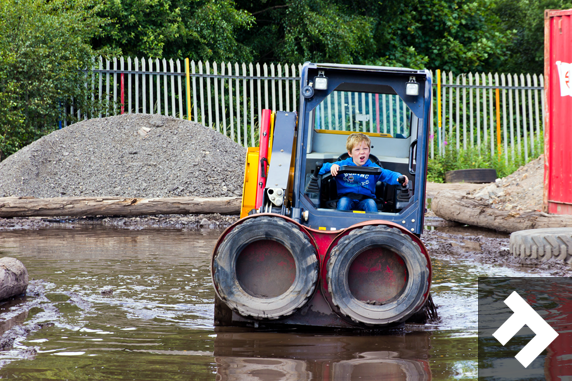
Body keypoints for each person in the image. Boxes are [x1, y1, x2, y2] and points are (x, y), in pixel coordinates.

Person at [318, 133, 409, 212]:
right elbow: (321, 169)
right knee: (343, 202)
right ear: (350, 153)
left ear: (369, 151)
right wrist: (331, 167)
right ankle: (340, 229)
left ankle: (374, 229)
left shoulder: (374, 168)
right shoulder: (342, 165)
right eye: (357, 150)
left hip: (366, 199)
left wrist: (399, 177)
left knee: (371, 204)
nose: (362, 152)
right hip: (347, 197)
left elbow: (389, 175)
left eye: (365, 149)